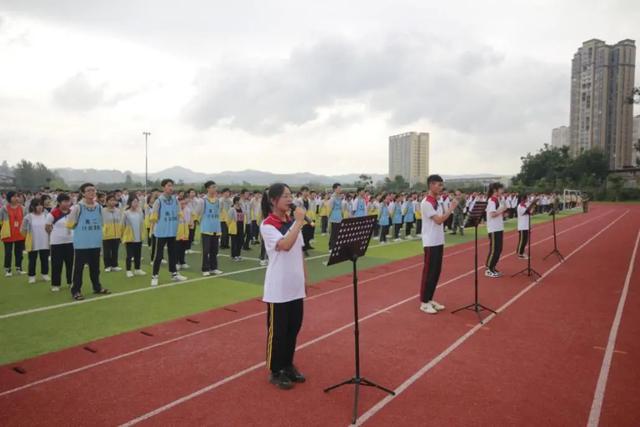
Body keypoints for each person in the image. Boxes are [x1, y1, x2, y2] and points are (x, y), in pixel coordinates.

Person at [260, 183, 307, 390]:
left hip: (295, 285)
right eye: (285, 196)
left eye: (291, 195)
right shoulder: (268, 224)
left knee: (293, 328)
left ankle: (288, 364)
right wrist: (298, 222)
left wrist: (304, 278)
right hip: (278, 288)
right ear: (273, 200)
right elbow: (285, 246)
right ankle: (275, 369)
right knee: (277, 332)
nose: (290, 199)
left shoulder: (291, 222)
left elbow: (299, 251)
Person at [419, 175, 458, 314]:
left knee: (436, 272)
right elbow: (439, 220)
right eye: (439, 185)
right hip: (430, 242)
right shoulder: (426, 203)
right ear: (431, 185)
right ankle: (424, 302)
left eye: (442, 185)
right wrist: (451, 208)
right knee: (429, 272)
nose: (441, 188)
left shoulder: (438, 201)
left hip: (438, 240)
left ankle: (430, 299)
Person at [67, 183, 111, 300]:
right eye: (89, 190)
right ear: (83, 193)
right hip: (81, 244)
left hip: (95, 243)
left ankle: (97, 287)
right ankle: (76, 290)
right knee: (78, 269)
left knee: (95, 268)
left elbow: (103, 223)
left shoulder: (99, 207)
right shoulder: (78, 207)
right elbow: (70, 223)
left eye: (93, 190)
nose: (92, 193)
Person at [149, 179, 187, 287]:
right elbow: (154, 217)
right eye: (169, 185)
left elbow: (179, 213)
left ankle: (174, 274)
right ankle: (154, 276)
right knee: (159, 255)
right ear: (163, 187)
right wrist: (153, 228)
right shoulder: (159, 201)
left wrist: (182, 221)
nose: (171, 188)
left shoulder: (175, 201)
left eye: (172, 185)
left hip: (172, 232)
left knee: (172, 254)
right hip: (161, 233)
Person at [194, 181, 224, 276]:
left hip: (216, 228)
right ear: (208, 188)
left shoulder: (218, 201)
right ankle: (205, 269)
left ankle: (213, 268)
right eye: (212, 187)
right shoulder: (202, 201)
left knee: (214, 250)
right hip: (206, 229)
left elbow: (220, 212)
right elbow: (196, 213)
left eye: (215, 187)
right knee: (206, 250)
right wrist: (197, 220)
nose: (215, 189)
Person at [47, 193, 74, 291]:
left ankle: (71, 282)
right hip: (56, 243)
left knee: (70, 263)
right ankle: (55, 284)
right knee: (56, 264)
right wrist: (56, 235)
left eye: (68, 201)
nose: (67, 203)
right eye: (65, 201)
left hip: (70, 242)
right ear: (59, 202)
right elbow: (47, 227)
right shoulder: (53, 213)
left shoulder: (72, 212)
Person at [22, 197, 50, 284]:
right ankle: (32, 276)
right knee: (32, 260)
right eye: (37, 205)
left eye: (41, 205)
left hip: (45, 242)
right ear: (33, 207)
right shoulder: (28, 217)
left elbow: (51, 227)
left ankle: (44, 274)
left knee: (44, 259)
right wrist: (27, 239)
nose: (39, 207)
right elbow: (23, 230)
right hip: (33, 243)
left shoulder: (47, 215)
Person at [1, 191, 27, 277]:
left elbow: (26, 221)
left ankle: (19, 268)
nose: (16, 198)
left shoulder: (23, 208)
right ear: (9, 198)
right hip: (8, 234)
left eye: (17, 196)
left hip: (19, 234)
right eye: (14, 196)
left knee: (19, 252)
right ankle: (8, 269)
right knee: (8, 252)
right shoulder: (4, 209)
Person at [485, 182, 508, 278]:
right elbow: (492, 214)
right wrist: (502, 209)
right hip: (493, 229)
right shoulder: (492, 200)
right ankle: (489, 269)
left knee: (499, 249)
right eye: (501, 189)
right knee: (495, 249)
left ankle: (493, 267)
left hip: (499, 227)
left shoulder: (498, 200)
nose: (502, 191)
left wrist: (504, 213)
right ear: (495, 190)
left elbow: (498, 213)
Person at [121, 195, 146, 278]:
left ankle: (137, 269)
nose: (136, 203)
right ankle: (128, 270)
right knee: (129, 255)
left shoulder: (140, 212)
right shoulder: (126, 213)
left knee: (138, 254)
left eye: (137, 202)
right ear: (130, 202)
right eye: (134, 201)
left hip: (138, 236)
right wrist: (122, 236)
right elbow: (122, 225)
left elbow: (142, 223)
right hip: (129, 237)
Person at [102, 193, 123, 272]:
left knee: (115, 251)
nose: (113, 202)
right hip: (106, 234)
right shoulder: (102, 211)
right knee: (107, 251)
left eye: (114, 200)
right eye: (111, 200)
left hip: (117, 234)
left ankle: (114, 265)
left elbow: (121, 221)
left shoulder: (118, 211)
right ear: (106, 202)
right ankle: (107, 266)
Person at [516, 194, 536, 259]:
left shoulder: (525, 205)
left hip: (526, 225)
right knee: (522, 240)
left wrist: (533, 206)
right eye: (526, 198)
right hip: (522, 226)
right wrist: (532, 204)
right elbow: (525, 212)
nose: (527, 199)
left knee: (525, 240)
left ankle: (521, 252)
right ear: (523, 199)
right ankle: (520, 254)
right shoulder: (520, 206)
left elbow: (531, 213)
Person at [228, 196, 244, 261]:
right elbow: (229, 218)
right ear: (236, 201)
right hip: (234, 227)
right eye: (240, 200)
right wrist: (229, 226)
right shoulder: (232, 209)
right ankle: (233, 255)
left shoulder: (242, 208)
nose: (241, 201)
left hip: (241, 226)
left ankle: (238, 255)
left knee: (240, 241)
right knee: (234, 242)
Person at [328, 183, 342, 250]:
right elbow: (330, 208)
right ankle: (331, 247)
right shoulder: (332, 198)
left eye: (340, 188)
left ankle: (336, 246)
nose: (340, 190)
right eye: (338, 188)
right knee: (334, 233)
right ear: (334, 189)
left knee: (338, 232)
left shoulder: (339, 197)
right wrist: (329, 218)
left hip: (339, 217)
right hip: (334, 217)